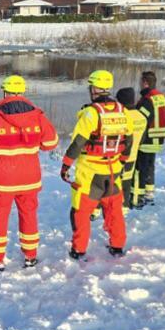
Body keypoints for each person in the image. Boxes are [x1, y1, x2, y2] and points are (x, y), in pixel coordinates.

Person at [0, 75, 58, 271]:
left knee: (0, 217)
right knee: (28, 215)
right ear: (22, 92)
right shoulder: (37, 115)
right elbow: (50, 143)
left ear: (5, 91)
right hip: (29, 178)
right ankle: (30, 256)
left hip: (2, 179)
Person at [60, 70, 133, 259]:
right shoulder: (123, 111)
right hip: (113, 170)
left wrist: (66, 164)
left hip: (90, 173)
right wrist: (122, 161)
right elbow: (129, 140)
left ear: (94, 88)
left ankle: (79, 249)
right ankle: (117, 246)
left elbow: (78, 142)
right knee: (114, 210)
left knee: (81, 212)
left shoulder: (92, 114)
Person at [133, 71, 165, 206]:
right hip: (158, 137)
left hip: (148, 137)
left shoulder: (147, 99)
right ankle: (149, 194)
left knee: (140, 167)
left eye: (140, 82)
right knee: (149, 166)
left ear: (145, 83)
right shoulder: (160, 96)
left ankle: (139, 196)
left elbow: (141, 118)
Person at [116, 87, 148, 210]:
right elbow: (143, 139)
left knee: (114, 184)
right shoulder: (142, 117)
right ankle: (124, 208)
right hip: (133, 156)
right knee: (126, 183)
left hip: (119, 156)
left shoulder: (122, 117)